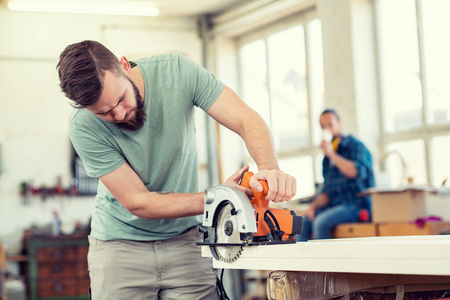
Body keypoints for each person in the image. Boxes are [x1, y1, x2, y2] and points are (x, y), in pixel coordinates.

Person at [56, 40, 297, 299]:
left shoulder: (177, 72)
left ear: (124, 66)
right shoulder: (82, 125)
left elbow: (245, 119)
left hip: (186, 241)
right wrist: (218, 198)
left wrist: (269, 169)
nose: (119, 114)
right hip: (120, 247)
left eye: (121, 99)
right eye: (104, 112)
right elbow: (139, 202)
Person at [297, 108, 374, 241]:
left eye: (330, 125)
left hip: (356, 205)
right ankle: (305, 262)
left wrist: (332, 155)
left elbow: (355, 172)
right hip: (334, 206)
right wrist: (312, 208)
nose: (326, 129)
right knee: (302, 223)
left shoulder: (356, 146)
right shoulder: (326, 160)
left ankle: (325, 262)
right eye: (323, 127)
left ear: (340, 123)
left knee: (321, 223)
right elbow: (327, 192)